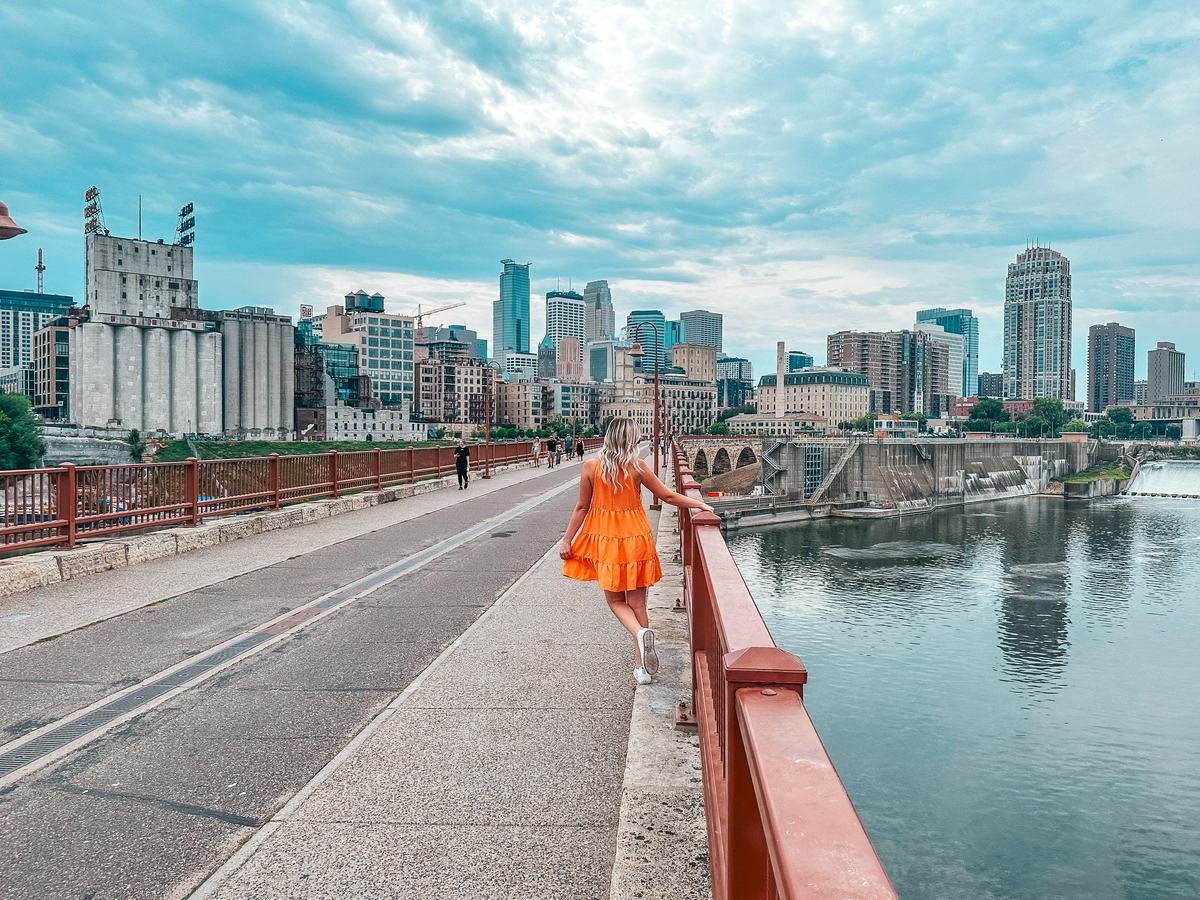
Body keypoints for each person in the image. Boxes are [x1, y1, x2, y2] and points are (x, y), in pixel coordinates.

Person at [560, 416, 713, 685]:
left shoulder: (591, 467)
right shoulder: (638, 467)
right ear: (631, 440)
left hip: (608, 541)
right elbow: (667, 496)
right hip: (637, 538)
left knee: (616, 602)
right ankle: (642, 668)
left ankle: (641, 636)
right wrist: (699, 505)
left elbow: (581, 508)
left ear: (608, 437)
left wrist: (567, 540)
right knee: (638, 603)